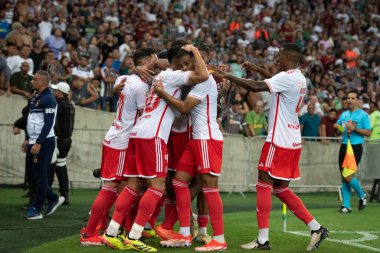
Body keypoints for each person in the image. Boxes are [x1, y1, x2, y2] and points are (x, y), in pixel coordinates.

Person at [208, 43, 329, 251]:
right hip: (292, 141)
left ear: (288, 58)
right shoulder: (299, 77)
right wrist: (257, 70)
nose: (276, 59)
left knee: (263, 184)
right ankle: (316, 228)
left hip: (278, 141)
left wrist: (224, 75)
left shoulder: (286, 78)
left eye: (279, 56)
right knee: (281, 189)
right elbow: (274, 80)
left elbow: (255, 87)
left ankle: (263, 240)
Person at [101, 42, 208, 252]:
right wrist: (195, 51)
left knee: (134, 186)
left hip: (137, 133)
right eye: (185, 62)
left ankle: (111, 233)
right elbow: (203, 75)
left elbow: (156, 62)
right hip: (153, 136)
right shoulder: (173, 75)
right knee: (158, 187)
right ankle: (134, 235)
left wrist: (137, 67)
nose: (188, 66)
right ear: (177, 61)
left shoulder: (159, 76)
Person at [80, 48, 158, 246]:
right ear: (147, 62)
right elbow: (144, 117)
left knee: (123, 187)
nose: (158, 64)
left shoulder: (125, 78)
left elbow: (117, 87)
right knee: (113, 188)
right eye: (155, 61)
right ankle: (91, 233)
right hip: (123, 142)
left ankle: (110, 228)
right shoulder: (140, 86)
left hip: (116, 136)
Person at [155, 43, 227, 251]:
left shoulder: (206, 81)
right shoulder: (196, 81)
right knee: (179, 182)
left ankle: (219, 239)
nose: (185, 68)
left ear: (197, 61)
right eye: (182, 64)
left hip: (206, 138)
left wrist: (162, 93)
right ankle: (185, 234)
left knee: (209, 187)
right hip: (195, 138)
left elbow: (185, 107)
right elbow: (163, 62)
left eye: (188, 63)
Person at [22, 70, 65, 219]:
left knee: (40, 177)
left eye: (34, 79)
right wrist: (27, 138)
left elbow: (48, 124)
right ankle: (53, 199)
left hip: (44, 141)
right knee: (32, 175)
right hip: (34, 140)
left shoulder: (49, 99)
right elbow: (31, 120)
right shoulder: (36, 97)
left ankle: (37, 209)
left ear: (41, 82)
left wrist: (38, 142)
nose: (31, 81)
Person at [335, 90, 371, 213]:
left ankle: (362, 195)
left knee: (348, 175)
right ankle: (346, 206)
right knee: (343, 176)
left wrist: (355, 128)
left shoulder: (363, 115)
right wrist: (337, 127)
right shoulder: (344, 114)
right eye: (348, 98)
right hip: (344, 146)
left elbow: (369, 132)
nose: (349, 100)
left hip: (355, 147)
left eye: (352, 98)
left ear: (357, 101)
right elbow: (340, 127)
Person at [49, 82, 75, 205]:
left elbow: (53, 123)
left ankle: (46, 196)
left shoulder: (59, 105)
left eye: (55, 91)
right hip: (67, 140)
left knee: (50, 167)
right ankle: (65, 195)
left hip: (58, 140)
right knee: (61, 167)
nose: (54, 93)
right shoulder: (71, 106)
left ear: (60, 93)